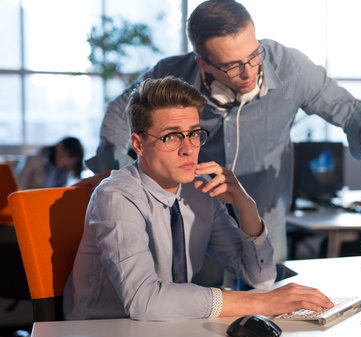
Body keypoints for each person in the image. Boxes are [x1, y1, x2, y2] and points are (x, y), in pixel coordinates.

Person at [79, 0, 361, 263]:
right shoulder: (172, 75)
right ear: (204, 64)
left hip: (264, 213)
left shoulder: (290, 68)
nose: (249, 72)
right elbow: (121, 111)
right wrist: (114, 170)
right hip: (193, 212)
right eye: (232, 66)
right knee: (194, 309)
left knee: (268, 299)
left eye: (253, 55)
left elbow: (347, 109)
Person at [63, 76, 333, 321]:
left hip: (170, 332)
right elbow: (144, 302)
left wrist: (245, 204)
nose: (189, 149)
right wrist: (260, 303)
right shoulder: (116, 197)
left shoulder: (198, 192)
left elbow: (260, 276)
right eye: (172, 136)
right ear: (138, 144)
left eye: (193, 133)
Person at [15, 136, 84, 189]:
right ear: (60, 146)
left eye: (72, 162)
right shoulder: (33, 160)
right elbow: (19, 187)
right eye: (69, 156)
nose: (68, 163)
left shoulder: (66, 170)